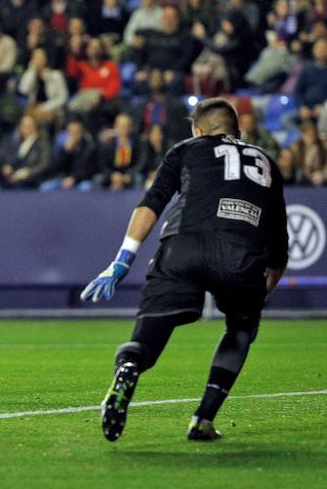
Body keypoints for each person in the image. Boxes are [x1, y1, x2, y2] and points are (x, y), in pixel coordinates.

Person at [81, 98, 287, 442]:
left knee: (147, 336)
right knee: (240, 329)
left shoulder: (186, 149)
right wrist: (258, 296)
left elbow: (152, 202)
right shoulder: (267, 162)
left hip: (183, 247)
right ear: (238, 132)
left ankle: (129, 366)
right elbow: (278, 238)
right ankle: (203, 419)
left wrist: (121, 261)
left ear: (199, 131)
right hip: (241, 255)